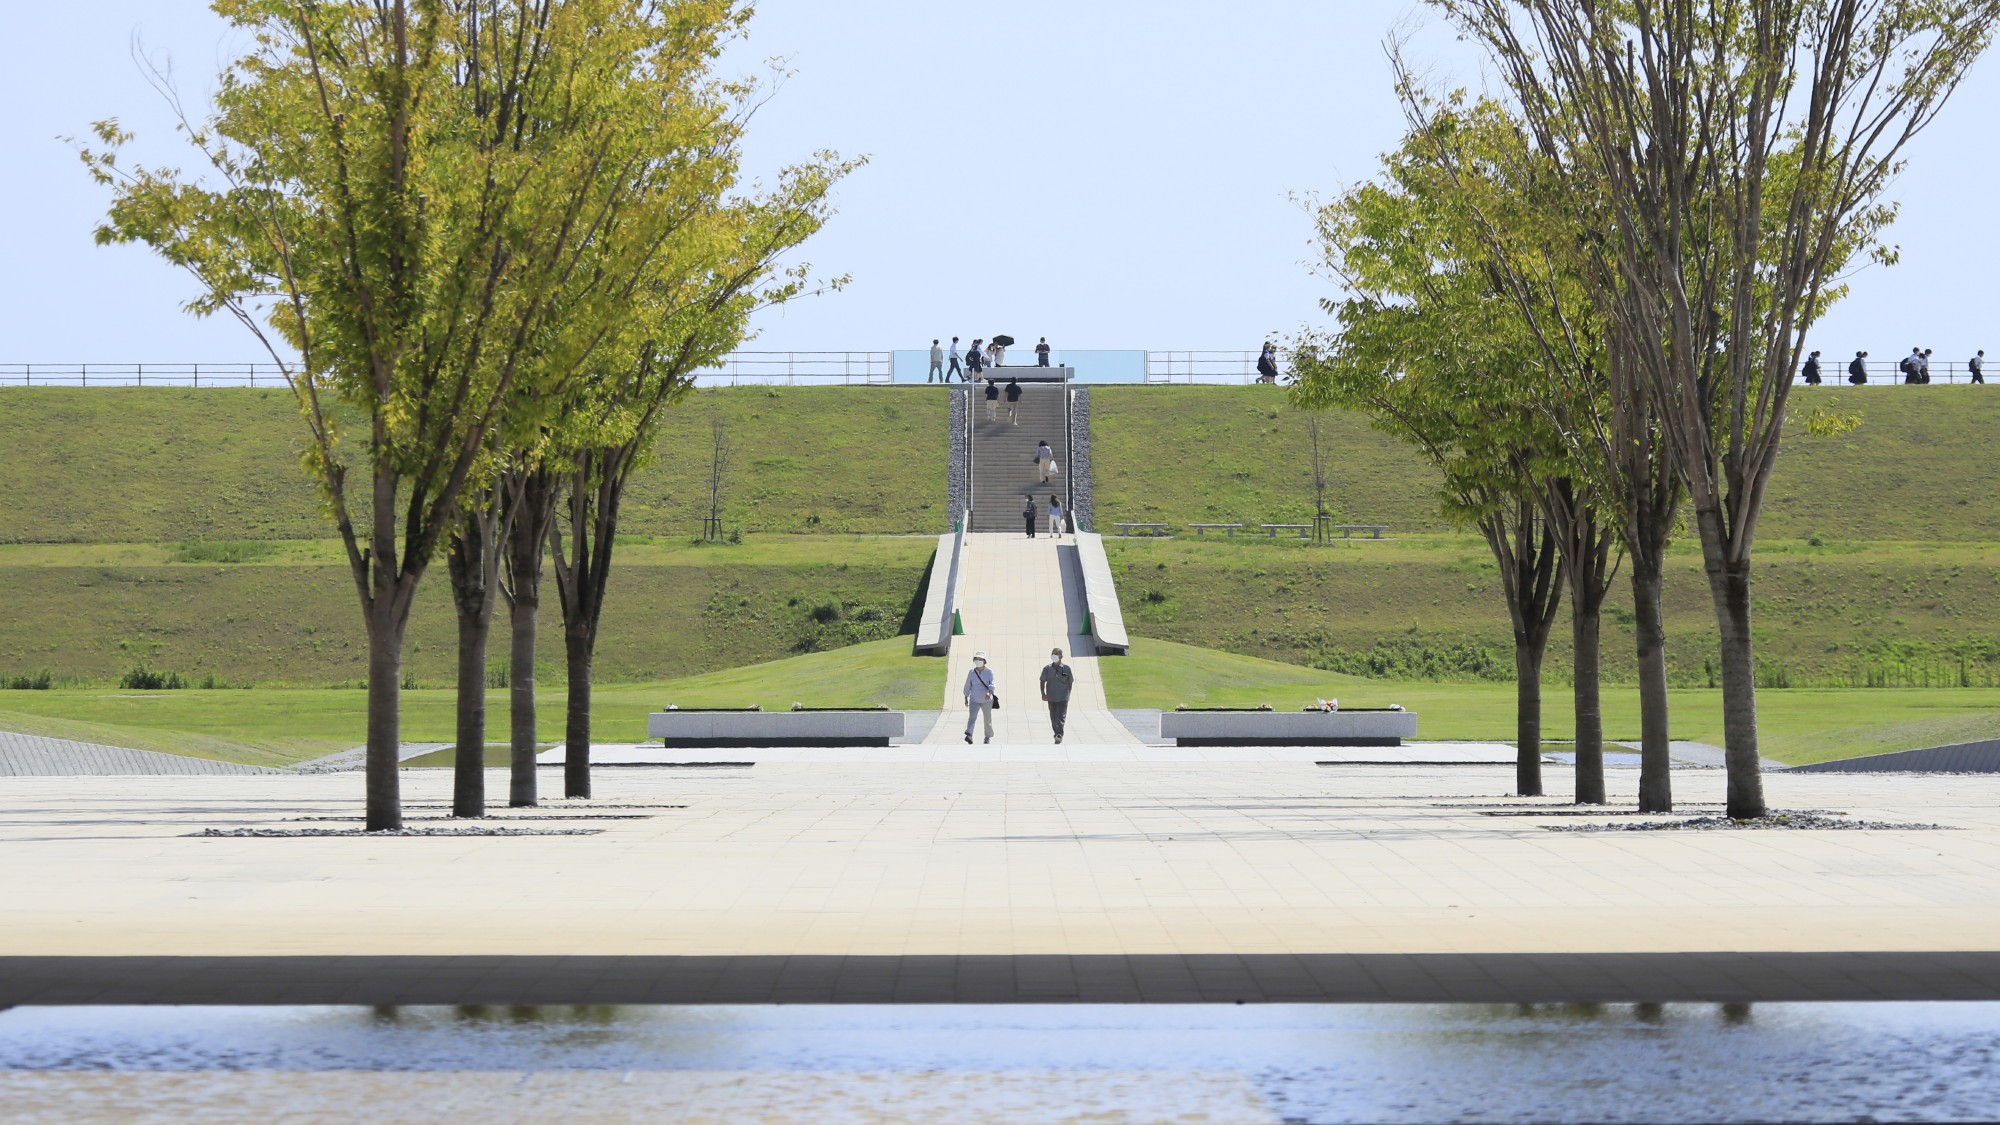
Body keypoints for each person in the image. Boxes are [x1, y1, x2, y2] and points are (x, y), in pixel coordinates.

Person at [1040, 647, 1074, 744]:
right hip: (1051, 697)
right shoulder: (1047, 669)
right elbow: (1042, 681)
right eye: (1053, 653)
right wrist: (1043, 693)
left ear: (1061, 656)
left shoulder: (1065, 669)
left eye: (1056, 654)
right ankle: (1056, 732)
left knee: (1061, 716)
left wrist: (1068, 693)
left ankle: (1059, 735)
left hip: (1063, 697)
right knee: (1053, 717)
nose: (1054, 655)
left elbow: (1070, 682)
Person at [962, 651, 996, 745]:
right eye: (976, 659)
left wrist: (989, 692)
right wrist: (966, 698)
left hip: (986, 700)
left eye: (980, 659)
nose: (978, 661)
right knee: (972, 718)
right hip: (974, 699)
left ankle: (987, 737)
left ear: (984, 661)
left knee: (987, 719)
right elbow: (967, 685)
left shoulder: (989, 672)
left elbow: (992, 684)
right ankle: (969, 734)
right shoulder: (972, 672)